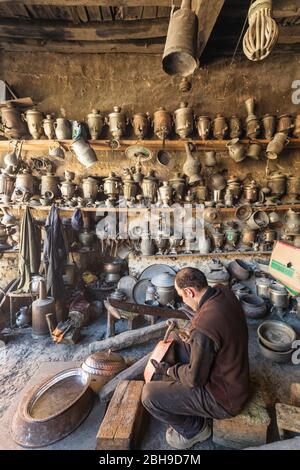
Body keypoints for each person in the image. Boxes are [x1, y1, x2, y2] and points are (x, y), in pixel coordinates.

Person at [142, 267, 250, 450]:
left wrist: (169, 370)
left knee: (149, 395)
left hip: (225, 398)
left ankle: (195, 430)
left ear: (189, 292)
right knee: (176, 340)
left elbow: (194, 379)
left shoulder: (204, 327)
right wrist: (192, 334)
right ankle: (183, 399)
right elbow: (209, 329)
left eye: (181, 296)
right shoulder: (223, 292)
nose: (183, 300)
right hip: (234, 375)